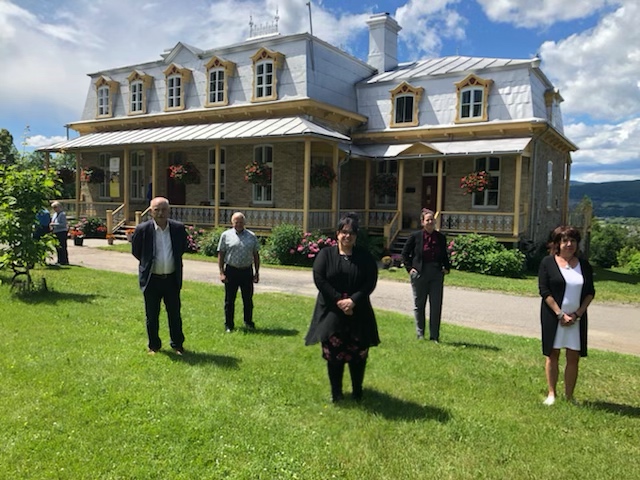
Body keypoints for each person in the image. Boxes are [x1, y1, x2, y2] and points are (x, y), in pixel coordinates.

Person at [305, 213, 380, 403]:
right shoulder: (325, 255)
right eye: (344, 232)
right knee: (334, 356)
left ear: (356, 235)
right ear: (337, 233)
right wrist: (339, 300)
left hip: (359, 311)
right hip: (332, 311)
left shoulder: (364, 257)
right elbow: (320, 279)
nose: (348, 236)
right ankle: (336, 394)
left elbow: (370, 281)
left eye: (352, 233)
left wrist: (353, 301)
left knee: (358, 354)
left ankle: (357, 392)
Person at [538, 226, 595, 406]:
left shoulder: (584, 265)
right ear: (557, 244)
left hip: (576, 319)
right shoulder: (548, 262)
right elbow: (544, 291)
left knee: (573, 356)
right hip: (554, 317)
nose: (569, 244)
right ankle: (552, 394)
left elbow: (590, 292)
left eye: (573, 241)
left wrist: (577, 314)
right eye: (565, 241)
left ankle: (569, 396)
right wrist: (560, 314)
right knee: (552, 354)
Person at [132, 197, 189, 355]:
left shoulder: (178, 228)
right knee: (152, 315)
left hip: (171, 279)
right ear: (151, 212)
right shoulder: (142, 229)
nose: (160, 213)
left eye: (164, 209)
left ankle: (177, 345)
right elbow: (136, 251)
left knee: (174, 314)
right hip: (151, 280)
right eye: (157, 210)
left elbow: (182, 248)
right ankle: (154, 346)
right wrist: (148, 263)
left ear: (169, 211)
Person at [401, 208, 450, 342]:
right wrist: (410, 269)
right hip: (420, 273)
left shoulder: (440, 237)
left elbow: (444, 255)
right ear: (422, 222)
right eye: (427, 220)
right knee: (419, 304)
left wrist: (446, 268)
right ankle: (420, 334)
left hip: (436, 274)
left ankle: (434, 336)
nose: (430, 222)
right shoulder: (415, 236)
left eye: (432, 220)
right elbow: (405, 254)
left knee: (436, 305)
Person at [217, 212, 260, 332]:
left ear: (244, 223)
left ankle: (248, 322)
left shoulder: (251, 236)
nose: (239, 224)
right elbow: (221, 254)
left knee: (248, 299)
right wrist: (221, 272)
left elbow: (256, 255)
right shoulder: (226, 235)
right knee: (229, 300)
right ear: (232, 223)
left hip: (246, 271)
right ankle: (229, 325)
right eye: (236, 222)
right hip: (231, 271)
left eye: (241, 222)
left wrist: (257, 272)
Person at [50, 201, 69, 265]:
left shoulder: (62, 214)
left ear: (59, 207)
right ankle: (59, 260)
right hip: (56, 232)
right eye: (53, 208)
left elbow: (63, 224)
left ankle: (64, 261)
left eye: (55, 207)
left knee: (62, 247)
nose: (54, 209)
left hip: (62, 232)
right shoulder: (55, 214)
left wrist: (54, 224)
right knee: (57, 247)